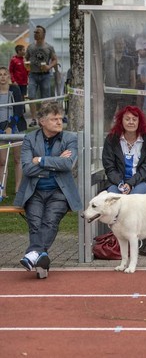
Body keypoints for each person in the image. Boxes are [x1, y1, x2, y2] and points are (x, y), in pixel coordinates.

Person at [15, 101, 82, 279]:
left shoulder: (70, 138)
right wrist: (54, 161)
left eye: (61, 118)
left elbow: (68, 164)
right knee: (35, 223)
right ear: (42, 121)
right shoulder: (30, 138)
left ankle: (32, 254)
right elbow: (27, 168)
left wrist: (41, 160)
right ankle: (41, 258)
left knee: (50, 221)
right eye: (54, 119)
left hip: (59, 191)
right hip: (34, 190)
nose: (59, 122)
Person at [102, 105, 146, 195]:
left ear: (139, 122)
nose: (131, 122)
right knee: (113, 197)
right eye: (127, 119)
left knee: (134, 198)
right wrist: (121, 184)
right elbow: (109, 167)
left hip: (141, 181)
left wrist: (130, 183)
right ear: (121, 121)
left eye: (134, 119)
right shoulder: (112, 139)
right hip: (116, 182)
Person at [25, 25, 58, 128]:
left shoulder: (49, 47)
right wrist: (26, 64)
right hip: (33, 75)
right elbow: (26, 58)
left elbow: (55, 60)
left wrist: (49, 67)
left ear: (43, 34)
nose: (35, 34)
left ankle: (44, 118)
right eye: (34, 32)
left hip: (45, 75)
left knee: (46, 98)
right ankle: (34, 118)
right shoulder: (30, 47)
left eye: (37, 32)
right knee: (31, 96)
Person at [0, 66, 24, 198]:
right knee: (2, 160)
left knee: (17, 158)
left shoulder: (14, 89)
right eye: (0, 75)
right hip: (1, 129)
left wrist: (10, 125)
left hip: (15, 127)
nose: (2, 77)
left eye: (5, 74)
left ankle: (18, 187)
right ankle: (2, 189)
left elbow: (19, 110)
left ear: (9, 76)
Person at [103, 35, 137, 125]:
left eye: (122, 43)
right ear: (114, 45)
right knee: (107, 118)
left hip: (125, 95)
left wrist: (131, 94)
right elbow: (102, 75)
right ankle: (107, 137)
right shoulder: (107, 59)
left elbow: (133, 78)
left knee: (124, 119)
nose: (121, 45)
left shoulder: (129, 60)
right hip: (110, 94)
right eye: (118, 43)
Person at [8, 44, 28, 120]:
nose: (24, 51)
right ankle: (16, 113)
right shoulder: (13, 60)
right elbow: (10, 71)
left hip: (24, 82)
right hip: (16, 83)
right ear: (19, 51)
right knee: (17, 97)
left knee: (22, 97)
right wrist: (13, 81)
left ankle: (21, 113)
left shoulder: (25, 60)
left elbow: (27, 71)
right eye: (23, 50)